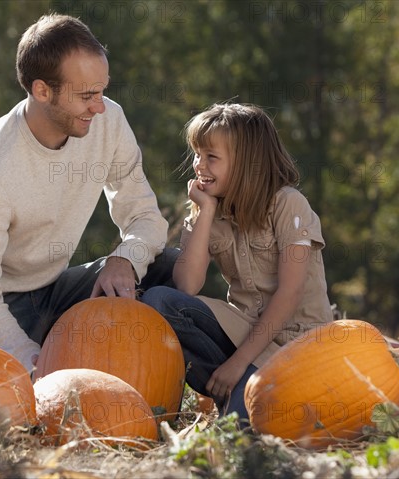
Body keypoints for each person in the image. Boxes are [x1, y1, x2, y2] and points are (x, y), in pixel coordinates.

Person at [0, 13, 177, 374]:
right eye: (88, 95)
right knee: (3, 408)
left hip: (49, 291)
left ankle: (149, 383)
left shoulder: (108, 122)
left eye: (102, 90)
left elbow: (146, 217)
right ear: (42, 90)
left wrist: (125, 259)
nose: (100, 106)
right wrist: (33, 360)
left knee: (165, 267)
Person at [141, 103, 333, 419]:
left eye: (211, 157)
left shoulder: (289, 205)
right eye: (197, 155)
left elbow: (290, 293)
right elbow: (187, 285)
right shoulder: (209, 211)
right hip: (243, 332)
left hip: (297, 346)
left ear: (247, 163)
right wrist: (204, 214)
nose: (198, 165)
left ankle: (242, 393)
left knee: (247, 427)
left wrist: (237, 363)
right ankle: (233, 391)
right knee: (160, 301)